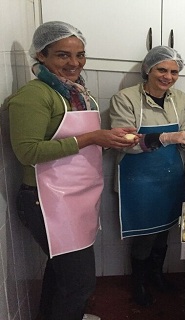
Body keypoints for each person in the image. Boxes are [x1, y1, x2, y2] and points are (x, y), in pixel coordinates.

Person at [8, 21, 138, 320]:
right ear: (41, 55)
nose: (74, 63)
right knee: (79, 284)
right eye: (62, 55)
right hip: (45, 200)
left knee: (61, 274)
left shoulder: (76, 94)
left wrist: (110, 139)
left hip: (73, 197)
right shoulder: (35, 95)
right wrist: (93, 137)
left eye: (80, 54)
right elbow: (27, 153)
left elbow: (77, 147)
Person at [109, 46, 185, 306]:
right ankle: (139, 285)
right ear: (148, 69)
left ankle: (156, 277)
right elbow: (124, 141)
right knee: (145, 236)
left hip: (170, 176)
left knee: (164, 231)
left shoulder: (181, 99)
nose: (168, 76)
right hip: (138, 179)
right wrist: (167, 137)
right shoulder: (125, 98)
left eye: (174, 72)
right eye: (162, 70)